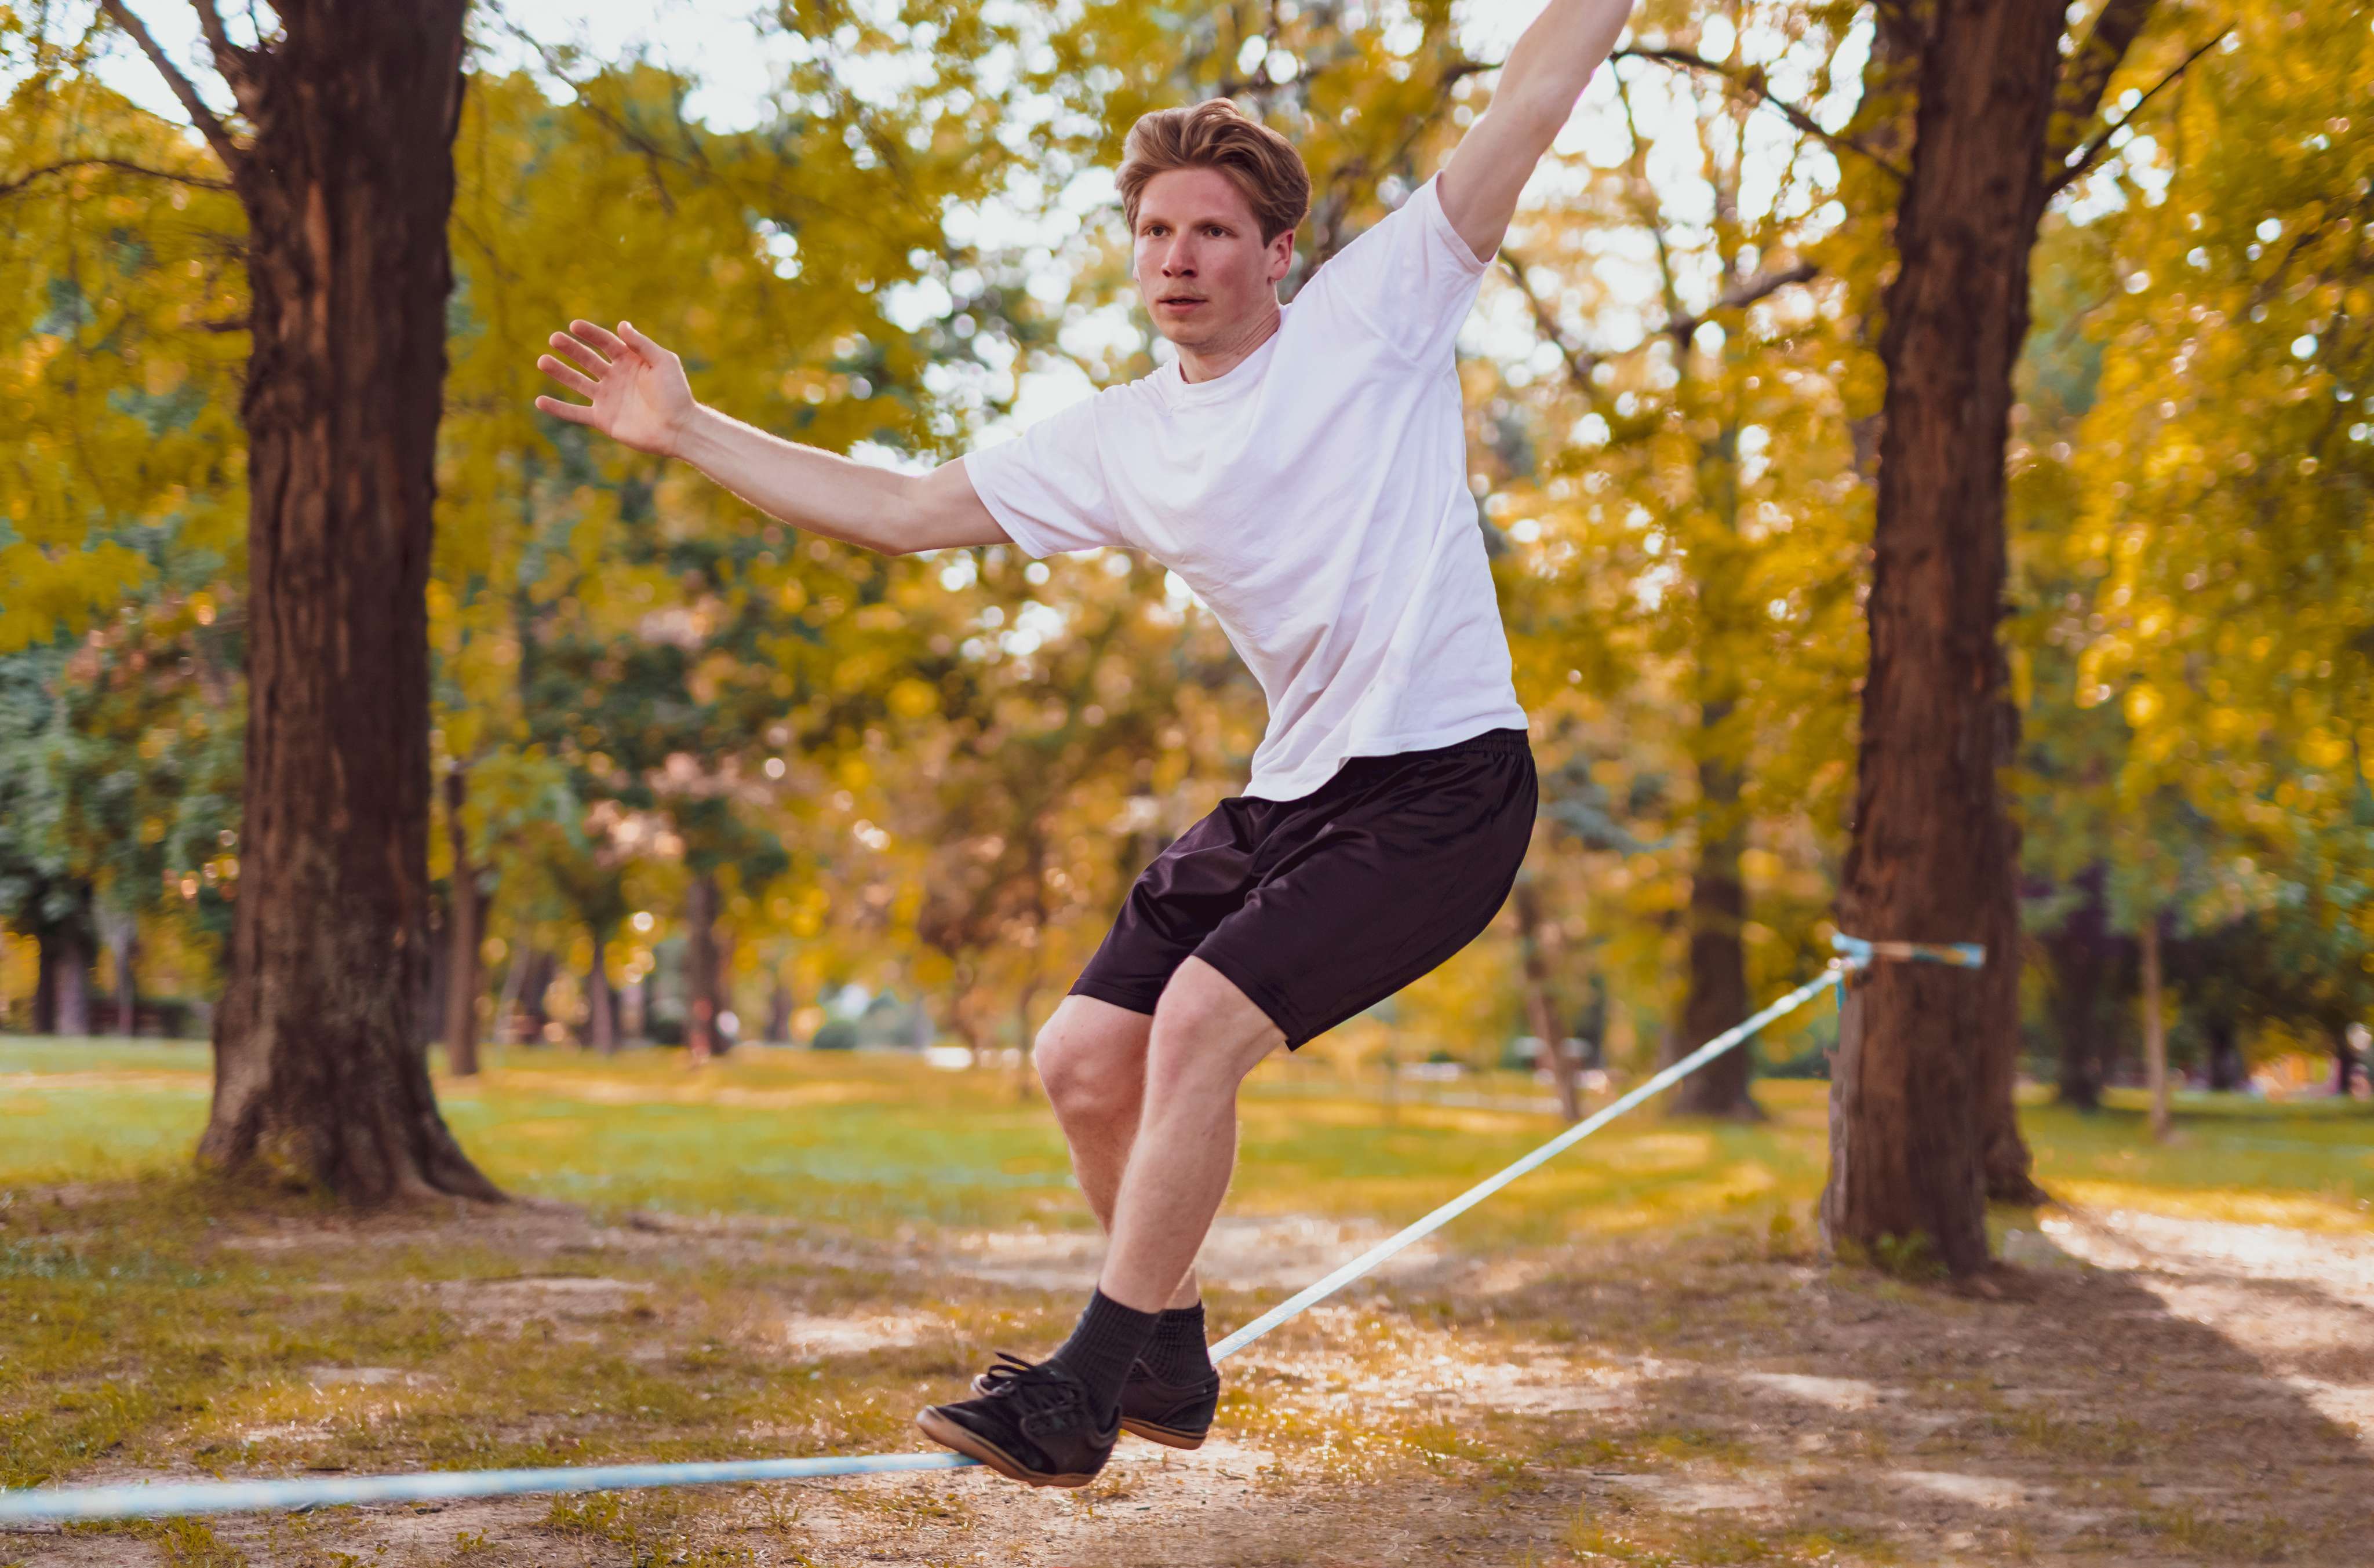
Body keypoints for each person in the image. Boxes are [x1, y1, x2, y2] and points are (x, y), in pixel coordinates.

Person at [536, 0, 1637, 1489]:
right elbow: (909, 510)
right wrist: (689, 431)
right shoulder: (1118, 435)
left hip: (1445, 784)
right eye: (1153, 231)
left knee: (1193, 1026)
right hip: (1293, 788)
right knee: (1079, 1058)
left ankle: (1083, 1395)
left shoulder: (1380, 311)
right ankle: (1172, 1362)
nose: (1175, 257)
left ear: (1274, 256)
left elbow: (1539, 86)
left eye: (1210, 230)